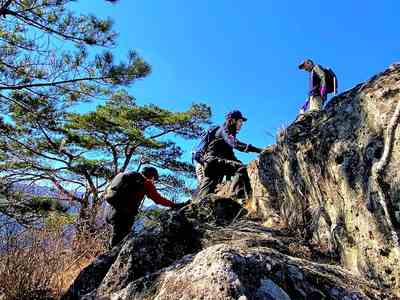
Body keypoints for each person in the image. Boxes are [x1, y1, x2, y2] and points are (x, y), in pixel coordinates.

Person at [105, 166, 186, 248]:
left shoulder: (128, 176)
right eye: (154, 179)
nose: (154, 181)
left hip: (109, 210)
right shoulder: (146, 183)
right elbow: (158, 199)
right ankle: (110, 258)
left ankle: (107, 256)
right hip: (122, 215)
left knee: (115, 239)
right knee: (118, 243)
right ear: (152, 177)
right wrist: (174, 205)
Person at [197, 110, 262, 199]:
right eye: (240, 121)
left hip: (211, 164)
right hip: (214, 162)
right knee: (242, 169)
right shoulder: (225, 131)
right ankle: (236, 198)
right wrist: (260, 150)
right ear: (232, 121)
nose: (241, 124)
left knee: (204, 195)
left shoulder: (223, 135)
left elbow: (230, 156)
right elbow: (235, 143)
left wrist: (239, 163)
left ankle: (193, 207)